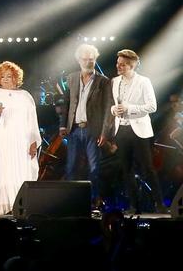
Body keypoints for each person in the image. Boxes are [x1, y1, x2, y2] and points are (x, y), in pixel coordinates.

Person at [0, 61, 41, 215]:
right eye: (2, 76)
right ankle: (0, 206)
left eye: (9, 76)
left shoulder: (26, 96)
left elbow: (32, 121)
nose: (5, 79)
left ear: (16, 78)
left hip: (20, 141)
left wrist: (33, 142)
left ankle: (18, 205)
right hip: (0, 140)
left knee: (19, 171)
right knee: (1, 172)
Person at [110, 49, 166, 213]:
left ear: (132, 65)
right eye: (118, 63)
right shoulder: (114, 81)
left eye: (122, 64)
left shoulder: (143, 82)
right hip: (121, 129)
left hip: (139, 130)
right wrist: (114, 110)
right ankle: (134, 206)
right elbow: (113, 104)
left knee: (147, 168)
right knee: (126, 169)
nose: (118, 66)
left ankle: (160, 204)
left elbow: (152, 106)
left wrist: (129, 108)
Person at [60, 44, 114, 206]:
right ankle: (71, 201)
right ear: (78, 60)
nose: (88, 62)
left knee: (94, 168)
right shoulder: (71, 78)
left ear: (95, 59)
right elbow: (66, 104)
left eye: (91, 59)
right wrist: (63, 125)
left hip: (93, 130)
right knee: (71, 167)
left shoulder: (103, 81)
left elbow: (107, 109)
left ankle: (95, 200)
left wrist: (105, 133)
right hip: (75, 129)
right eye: (85, 59)